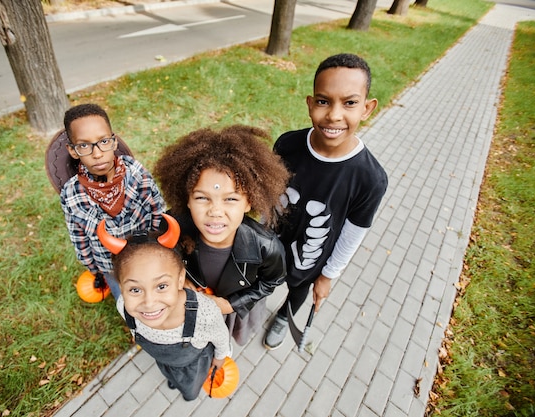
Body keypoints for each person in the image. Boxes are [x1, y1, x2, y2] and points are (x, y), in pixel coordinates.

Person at [264, 53, 388, 350]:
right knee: (261, 280)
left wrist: (328, 275)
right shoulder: (287, 143)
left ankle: (284, 316)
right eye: (323, 101)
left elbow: (353, 234)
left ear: (368, 108)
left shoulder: (370, 178)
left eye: (349, 103)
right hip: (269, 242)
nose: (334, 115)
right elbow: (269, 192)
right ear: (310, 103)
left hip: (311, 259)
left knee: (297, 292)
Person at [153, 125, 290, 346]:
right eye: (202, 198)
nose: (215, 211)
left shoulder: (267, 247)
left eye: (231, 199)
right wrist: (181, 276)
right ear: (186, 199)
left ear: (249, 202)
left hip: (231, 307)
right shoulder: (173, 226)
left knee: (223, 338)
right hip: (193, 300)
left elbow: (272, 280)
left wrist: (232, 304)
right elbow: (162, 254)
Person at [97, 214, 231, 401]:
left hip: (194, 364)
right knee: (170, 374)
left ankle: (188, 393)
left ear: (179, 279)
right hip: (164, 360)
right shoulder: (124, 306)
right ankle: (173, 378)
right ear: (121, 288)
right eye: (135, 289)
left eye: (161, 286)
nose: (149, 303)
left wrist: (220, 357)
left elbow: (220, 336)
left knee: (190, 387)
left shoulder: (203, 312)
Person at [60, 103, 164, 300]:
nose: (97, 153)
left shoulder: (136, 174)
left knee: (155, 297)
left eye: (103, 141)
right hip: (109, 266)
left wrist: (160, 246)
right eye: (84, 145)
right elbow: (79, 238)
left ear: (114, 142)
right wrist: (94, 269)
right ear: (73, 151)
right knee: (126, 302)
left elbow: (157, 210)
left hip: (145, 256)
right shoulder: (71, 194)